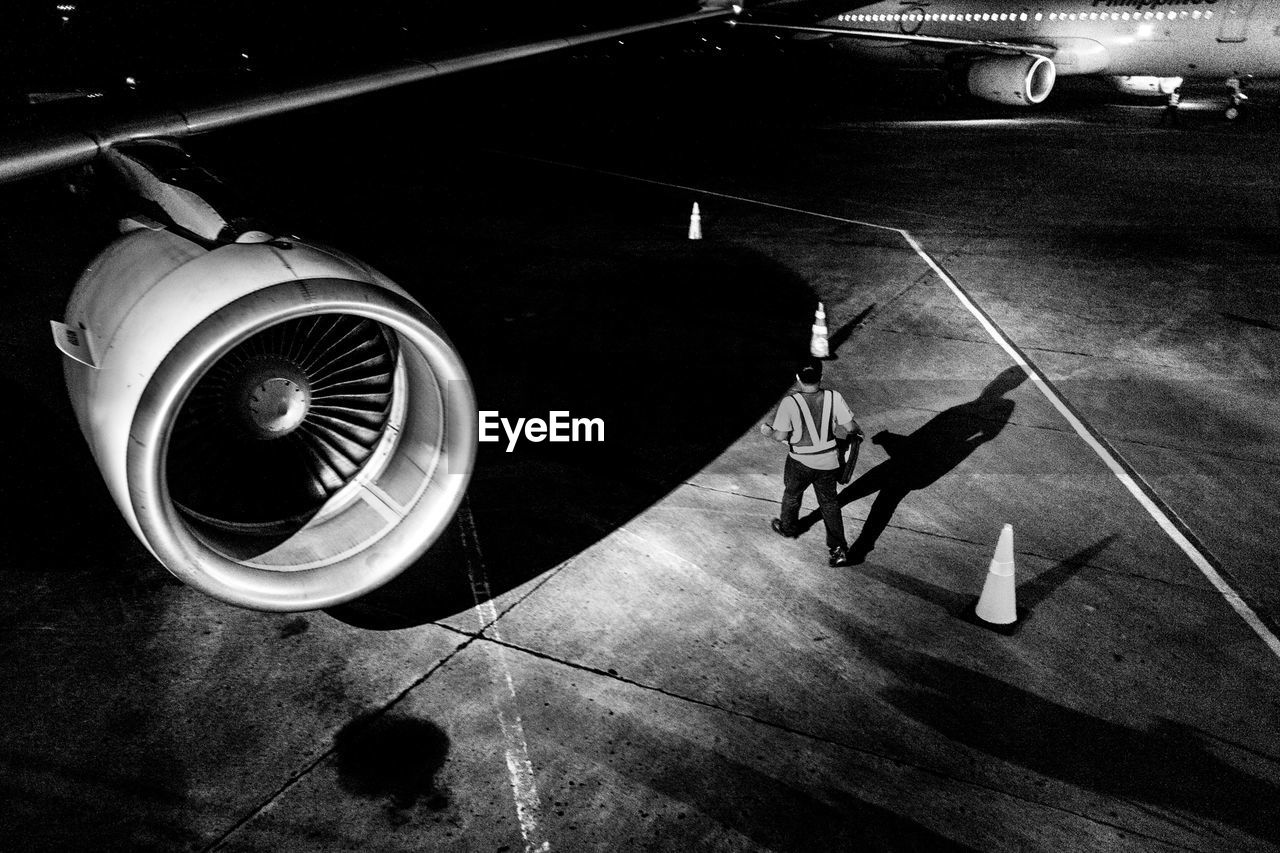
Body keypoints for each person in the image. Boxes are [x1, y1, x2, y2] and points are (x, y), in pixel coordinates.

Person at [759, 358, 863, 567]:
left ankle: (788, 528)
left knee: (792, 494)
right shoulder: (834, 397)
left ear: (797, 378)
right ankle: (838, 549)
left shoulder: (791, 402)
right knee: (829, 504)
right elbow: (851, 428)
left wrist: (768, 432)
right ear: (821, 376)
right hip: (828, 463)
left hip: (800, 462)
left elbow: (781, 436)